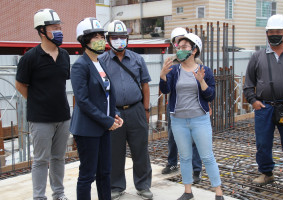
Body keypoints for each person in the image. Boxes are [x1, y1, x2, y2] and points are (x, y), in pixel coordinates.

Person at [159, 33, 224, 200]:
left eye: (184, 47)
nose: (180, 50)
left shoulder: (205, 71)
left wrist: (202, 82)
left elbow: (211, 96)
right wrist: (163, 76)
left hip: (199, 120)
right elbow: (166, 90)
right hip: (178, 120)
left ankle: (218, 193)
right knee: (185, 157)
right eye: (178, 47)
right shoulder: (174, 70)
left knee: (207, 156)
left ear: (194, 50)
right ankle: (188, 191)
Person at [15, 9, 70, 200]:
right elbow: (20, 85)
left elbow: (60, 84)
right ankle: (39, 197)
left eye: (59, 26)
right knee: (40, 160)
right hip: (40, 119)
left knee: (58, 159)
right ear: (41, 30)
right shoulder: (30, 58)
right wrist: (38, 101)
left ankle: (59, 194)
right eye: (54, 27)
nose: (59, 30)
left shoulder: (64, 55)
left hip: (63, 117)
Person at [243, 14, 283, 192]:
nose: (274, 34)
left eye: (278, 31)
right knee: (263, 143)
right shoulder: (257, 56)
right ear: (266, 33)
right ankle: (266, 173)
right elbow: (248, 84)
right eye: (271, 32)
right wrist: (253, 101)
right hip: (264, 107)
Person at [70, 17, 123, 200]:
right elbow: (83, 101)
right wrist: (107, 121)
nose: (101, 40)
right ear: (85, 41)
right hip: (87, 130)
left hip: (104, 127)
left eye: (102, 36)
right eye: (96, 37)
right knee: (87, 175)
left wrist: (115, 114)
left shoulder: (100, 63)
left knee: (105, 172)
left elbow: (106, 96)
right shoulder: (80, 66)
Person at [99, 20, 153, 200]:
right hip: (114, 112)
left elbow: (145, 85)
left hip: (136, 109)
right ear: (108, 39)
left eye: (123, 37)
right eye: (115, 37)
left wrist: (146, 109)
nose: (119, 40)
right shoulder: (101, 61)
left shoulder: (137, 59)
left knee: (140, 150)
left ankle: (143, 185)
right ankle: (116, 186)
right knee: (115, 151)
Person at [162, 27, 203, 184]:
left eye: (183, 41)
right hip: (175, 106)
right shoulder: (171, 62)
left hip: (193, 107)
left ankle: (196, 170)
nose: (180, 45)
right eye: (177, 41)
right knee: (173, 137)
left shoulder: (196, 62)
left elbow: (202, 85)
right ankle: (172, 163)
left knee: (194, 139)